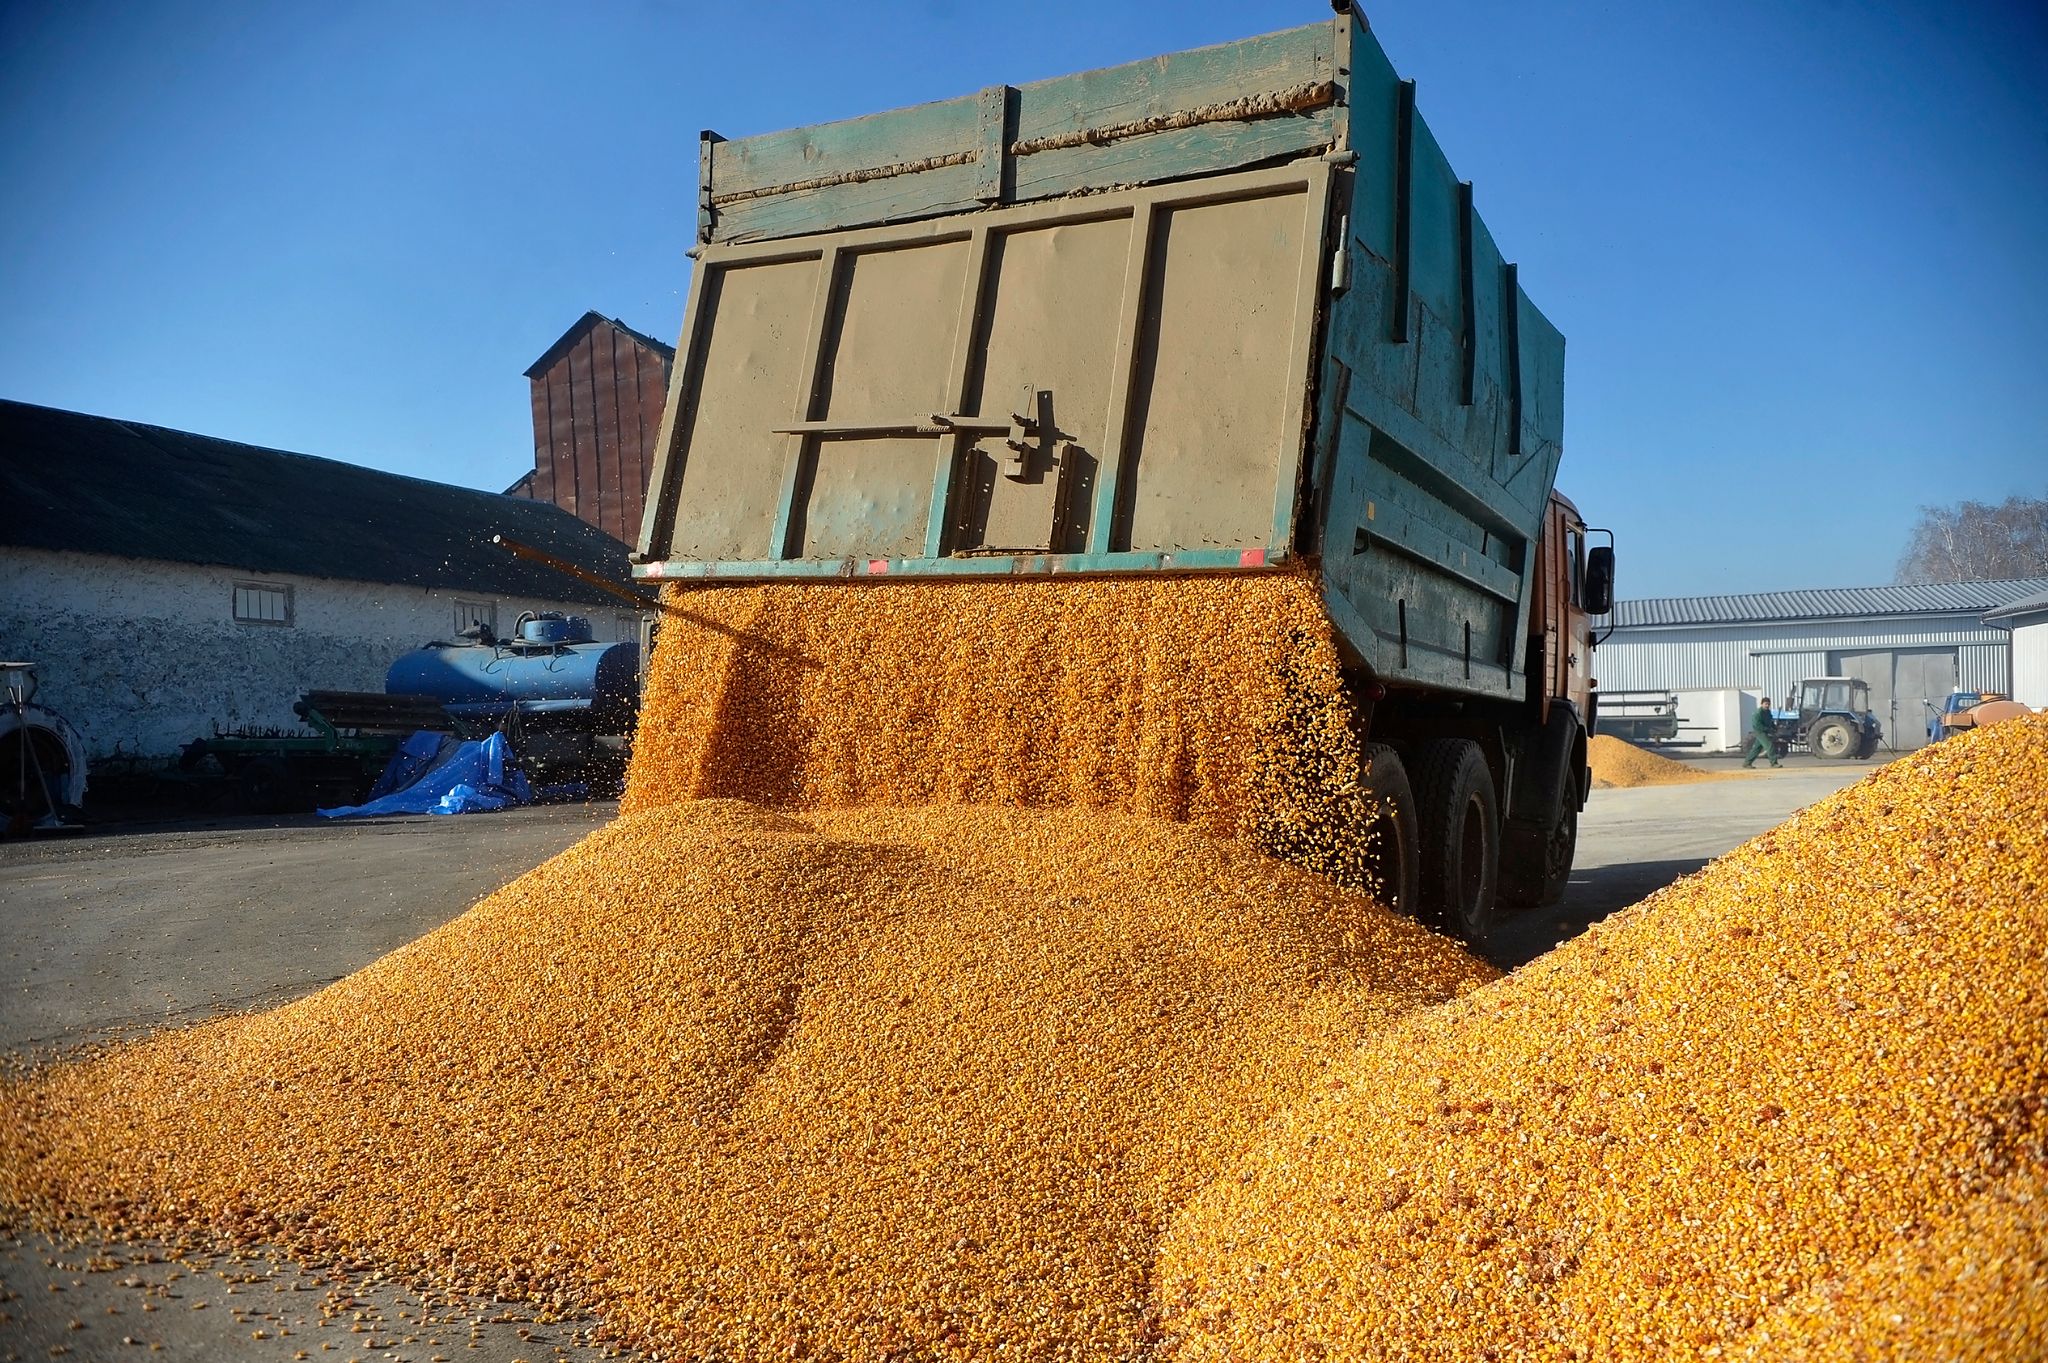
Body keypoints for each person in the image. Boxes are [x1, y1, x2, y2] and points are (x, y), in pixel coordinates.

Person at [1743, 697, 1781, 769]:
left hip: (1765, 731)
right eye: (1766, 704)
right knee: (1769, 746)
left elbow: (1770, 721)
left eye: (1768, 704)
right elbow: (1757, 725)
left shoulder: (1768, 712)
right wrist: (1768, 729)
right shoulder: (1757, 713)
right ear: (1762, 704)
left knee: (1756, 749)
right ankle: (1774, 763)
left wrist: (1774, 727)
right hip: (1760, 732)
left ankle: (1747, 763)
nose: (1767, 705)